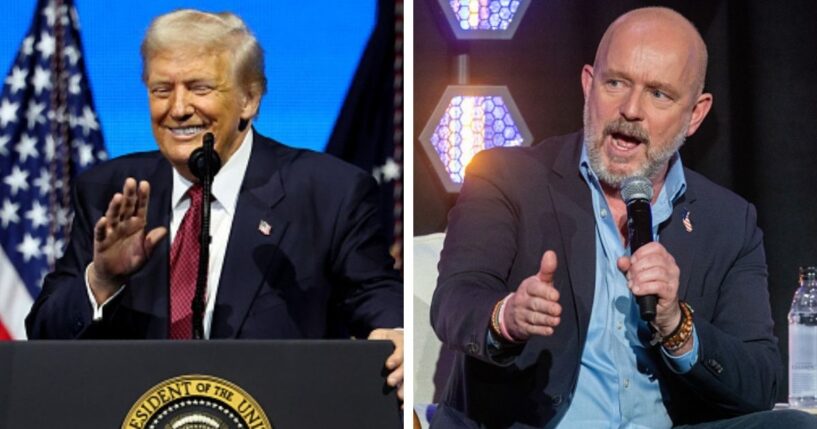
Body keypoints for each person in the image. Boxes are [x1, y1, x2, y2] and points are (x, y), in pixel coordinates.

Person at [430, 7, 817, 428]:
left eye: (659, 94)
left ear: (696, 115)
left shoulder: (730, 222)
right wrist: (506, 316)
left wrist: (676, 324)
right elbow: (456, 298)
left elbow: (758, 382)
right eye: (615, 83)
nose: (631, 109)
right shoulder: (507, 176)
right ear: (588, 84)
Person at [25, 9, 403, 401]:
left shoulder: (327, 191)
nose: (179, 108)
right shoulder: (109, 191)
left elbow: (374, 291)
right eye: (161, 90)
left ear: (249, 99)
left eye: (200, 88)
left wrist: (396, 330)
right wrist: (101, 280)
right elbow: (44, 334)